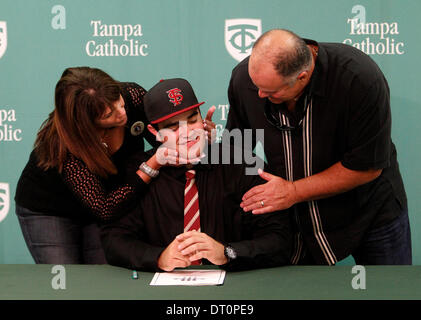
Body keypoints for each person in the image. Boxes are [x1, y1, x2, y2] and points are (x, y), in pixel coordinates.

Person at [225, 29, 410, 265]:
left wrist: (292, 192)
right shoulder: (245, 80)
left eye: (271, 92)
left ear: (302, 77)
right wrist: (207, 145)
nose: (259, 94)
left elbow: (367, 167)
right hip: (297, 223)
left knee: (389, 292)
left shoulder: (358, 78)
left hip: (370, 212)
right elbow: (238, 149)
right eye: (256, 86)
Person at [14, 67, 216, 264]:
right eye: (109, 114)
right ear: (86, 123)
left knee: (105, 274)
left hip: (114, 197)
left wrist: (197, 137)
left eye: (118, 102)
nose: (122, 114)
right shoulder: (64, 146)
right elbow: (104, 208)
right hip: (52, 209)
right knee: (67, 280)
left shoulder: (132, 96)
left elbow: (165, 134)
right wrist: (152, 163)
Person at [100, 78, 292, 272]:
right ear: (154, 132)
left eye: (192, 120)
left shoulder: (240, 161)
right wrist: (158, 258)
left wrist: (228, 253)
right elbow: (114, 240)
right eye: (173, 127)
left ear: (203, 119)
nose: (187, 133)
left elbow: (281, 237)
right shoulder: (139, 172)